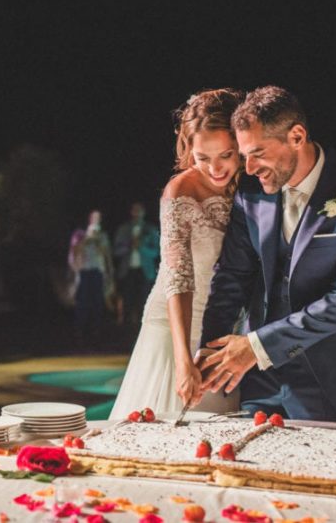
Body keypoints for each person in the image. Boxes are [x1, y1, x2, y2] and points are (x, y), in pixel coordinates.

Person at [197, 86, 336, 424]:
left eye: (258, 152)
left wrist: (256, 347)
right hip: (259, 380)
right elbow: (232, 276)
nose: (249, 167)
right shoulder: (251, 197)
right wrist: (210, 355)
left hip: (332, 380)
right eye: (244, 156)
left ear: (297, 136)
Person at [109, 88, 244, 419]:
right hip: (174, 329)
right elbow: (178, 276)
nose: (215, 169)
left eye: (226, 155)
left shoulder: (251, 185)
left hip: (225, 330)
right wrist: (183, 358)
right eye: (202, 158)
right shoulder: (179, 191)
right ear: (189, 150)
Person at [68, 210, 114, 346]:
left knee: (97, 302)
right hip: (84, 271)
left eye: (98, 217)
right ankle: (80, 332)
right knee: (82, 302)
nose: (96, 219)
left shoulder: (103, 235)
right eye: (93, 217)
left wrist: (98, 240)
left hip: (98, 271)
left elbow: (106, 254)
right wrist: (87, 238)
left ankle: (96, 331)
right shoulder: (79, 234)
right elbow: (75, 250)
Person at [112, 202, 160, 327]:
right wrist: (129, 246)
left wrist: (142, 247)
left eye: (140, 210)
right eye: (135, 210)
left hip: (144, 272)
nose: (137, 213)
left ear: (143, 213)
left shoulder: (150, 229)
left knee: (143, 302)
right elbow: (116, 250)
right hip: (128, 271)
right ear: (131, 212)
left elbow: (156, 252)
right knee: (127, 301)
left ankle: (142, 331)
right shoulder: (124, 229)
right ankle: (125, 331)